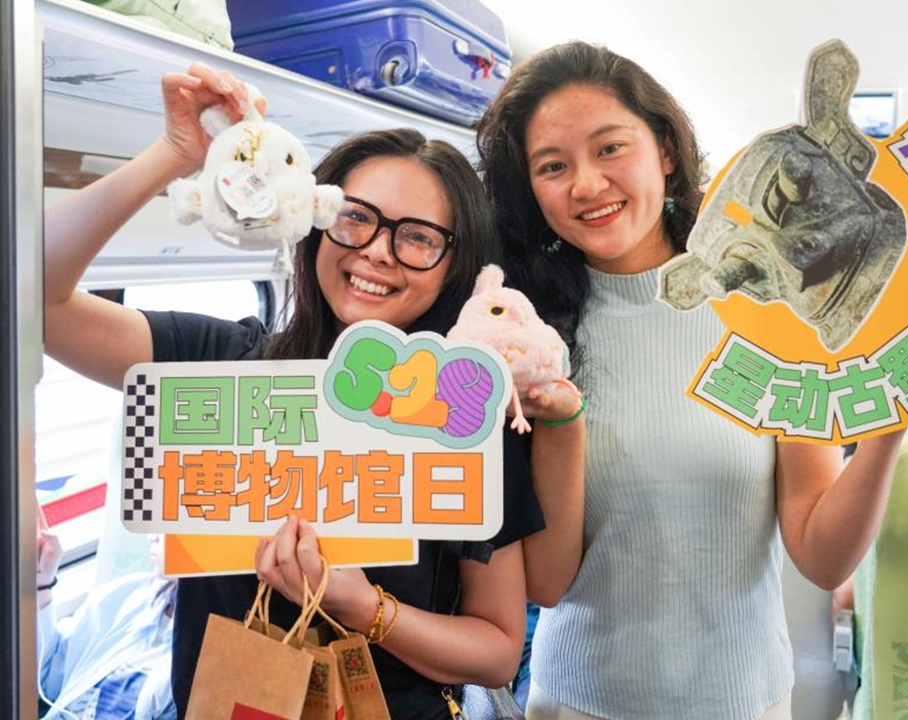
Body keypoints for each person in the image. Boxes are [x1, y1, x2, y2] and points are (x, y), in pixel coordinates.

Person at [475, 41, 908, 720]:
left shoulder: (769, 320)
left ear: (665, 151)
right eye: (553, 166)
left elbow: (820, 555)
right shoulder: (528, 336)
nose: (586, 183)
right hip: (578, 701)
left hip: (742, 701)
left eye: (610, 148)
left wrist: (891, 415)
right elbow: (547, 583)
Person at [44, 62, 576, 720]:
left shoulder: (464, 414)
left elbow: (496, 649)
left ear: (452, 265)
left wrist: (362, 606)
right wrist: (176, 155)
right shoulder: (224, 363)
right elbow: (33, 297)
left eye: (416, 237)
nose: (378, 251)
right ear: (315, 220)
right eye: (356, 219)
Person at [36, 512, 177, 720]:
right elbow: (48, 680)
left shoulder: (215, 643)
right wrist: (42, 583)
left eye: (167, 522)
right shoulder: (121, 598)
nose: (151, 534)